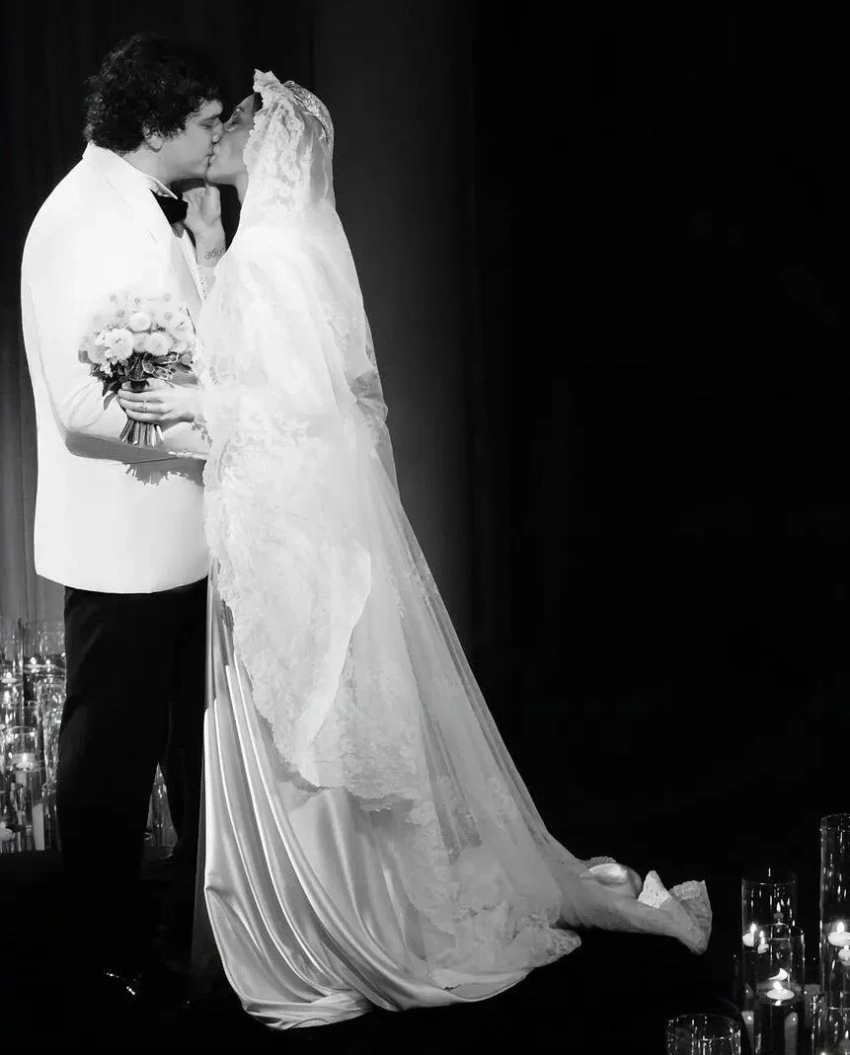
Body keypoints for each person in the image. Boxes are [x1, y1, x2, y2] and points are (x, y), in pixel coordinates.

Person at [123, 71, 712, 1031]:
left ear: (267, 146)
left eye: (235, 123)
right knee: (321, 713)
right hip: (289, 510)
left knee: (308, 722)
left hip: (283, 517)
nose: (219, 133)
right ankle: (346, 897)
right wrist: (210, 257)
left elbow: (295, 403)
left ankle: (332, 917)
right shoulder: (281, 242)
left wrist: (190, 400)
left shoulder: (273, 253)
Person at [20, 32, 222, 1003]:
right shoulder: (82, 220)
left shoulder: (145, 206)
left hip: (176, 537)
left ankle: (181, 920)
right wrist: (223, 433)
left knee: (183, 745)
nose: (219, 134)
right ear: (154, 127)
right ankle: (104, 945)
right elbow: (82, 407)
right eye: (206, 121)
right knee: (110, 757)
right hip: (123, 546)